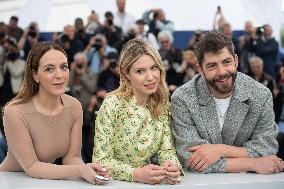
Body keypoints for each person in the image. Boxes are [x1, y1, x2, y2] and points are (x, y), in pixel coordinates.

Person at [171, 31, 283, 174]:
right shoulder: (182, 98)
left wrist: (220, 150)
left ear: (235, 60)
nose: (222, 72)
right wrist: (253, 163)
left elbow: (267, 147)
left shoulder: (261, 95)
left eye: (226, 62)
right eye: (212, 66)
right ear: (200, 69)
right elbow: (189, 157)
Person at [0, 41, 110, 185]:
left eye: (64, 67)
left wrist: (87, 169)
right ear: (35, 75)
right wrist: (80, 170)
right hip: (10, 182)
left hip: (45, 183)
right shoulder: (14, 111)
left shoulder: (74, 106)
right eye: (49, 69)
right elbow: (32, 167)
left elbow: (72, 157)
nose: (60, 75)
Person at [93, 39, 182, 184]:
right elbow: (100, 161)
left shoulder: (162, 104)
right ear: (127, 74)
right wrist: (135, 174)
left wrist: (172, 167)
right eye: (140, 71)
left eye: (154, 68)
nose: (150, 77)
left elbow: (167, 150)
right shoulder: (112, 104)